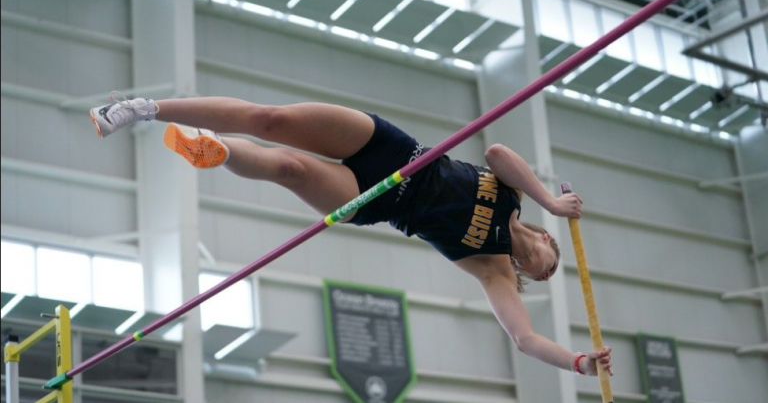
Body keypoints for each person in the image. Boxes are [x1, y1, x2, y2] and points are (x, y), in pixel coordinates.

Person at [90, 94, 613, 377]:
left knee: (289, 169)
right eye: (554, 255)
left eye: (546, 274)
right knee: (269, 119)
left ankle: (214, 150)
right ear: (545, 237)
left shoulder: (491, 265)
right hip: (396, 152)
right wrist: (550, 201)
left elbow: (523, 339)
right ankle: (141, 109)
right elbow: (497, 152)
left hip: (384, 201)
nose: (548, 266)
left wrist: (576, 362)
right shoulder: (515, 197)